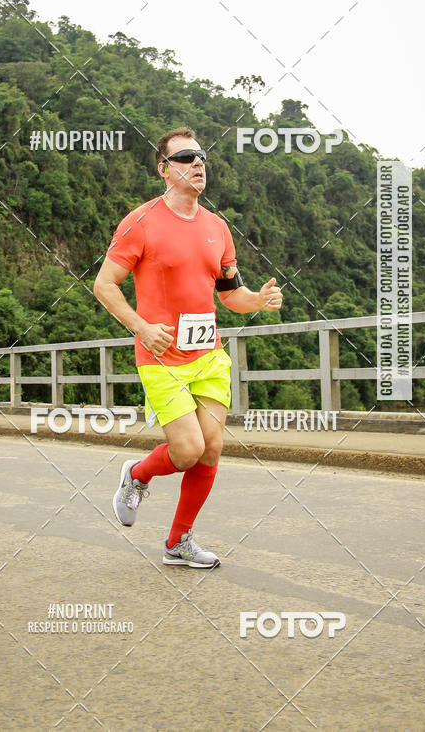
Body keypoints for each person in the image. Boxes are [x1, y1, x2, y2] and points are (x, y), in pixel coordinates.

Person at [94, 127, 282, 568]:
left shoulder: (218, 228)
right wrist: (141, 327)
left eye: (202, 157)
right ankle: (137, 475)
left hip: (209, 356)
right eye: (186, 157)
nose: (199, 164)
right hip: (162, 358)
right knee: (186, 451)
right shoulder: (140, 222)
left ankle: (179, 541)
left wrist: (257, 300)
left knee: (211, 448)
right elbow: (104, 285)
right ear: (164, 170)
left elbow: (231, 295)